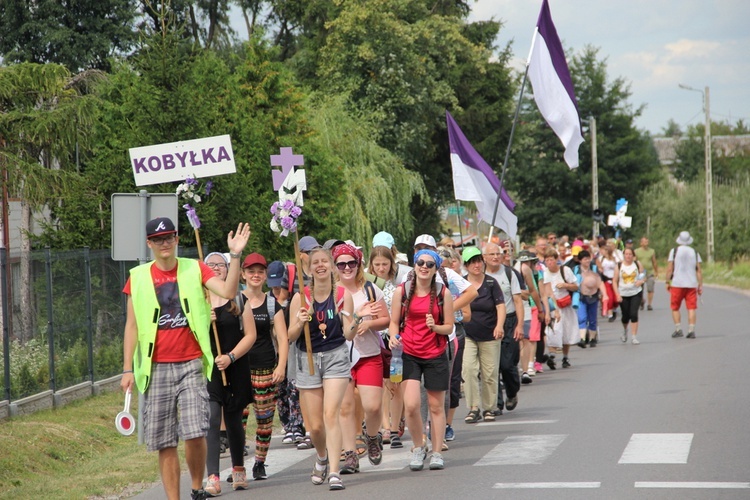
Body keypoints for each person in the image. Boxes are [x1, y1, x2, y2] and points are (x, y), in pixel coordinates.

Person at [121, 218, 250, 500]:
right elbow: (131, 325)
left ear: (177, 239)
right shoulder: (139, 276)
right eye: (158, 239)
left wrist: (236, 254)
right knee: (164, 441)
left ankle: (195, 487)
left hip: (192, 362)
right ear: (149, 244)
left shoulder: (194, 268)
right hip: (155, 368)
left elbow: (228, 292)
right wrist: (128, 369)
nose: (164, 243)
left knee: (195, 431)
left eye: (169, 237)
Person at [288, 247, 356, 491]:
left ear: (331, 265)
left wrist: (357, 320)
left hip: (336, 356)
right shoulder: (300, 297)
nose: (320, 265)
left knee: (331, 414)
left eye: (324, 261)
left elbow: (348, 333)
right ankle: (322, 457)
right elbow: (290, 335)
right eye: (315, 262)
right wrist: (299, 320)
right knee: (315, 426)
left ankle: (335, 472)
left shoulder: (342, 294)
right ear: (309, 268)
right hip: (308, 359)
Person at [389, 249, 454, 471]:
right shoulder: (403, 291)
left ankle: (436, 452)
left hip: (435, 353)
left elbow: (449, 327)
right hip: (408, 353)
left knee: (436, 407)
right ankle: (419, 447)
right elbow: (393, 322)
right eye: (420, 263)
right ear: (414, 266)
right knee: (412, 405)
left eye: (429, 264)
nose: (424, 267)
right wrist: (392, 337)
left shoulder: (443, 293)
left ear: (436, 269)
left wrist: (434, 327)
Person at [203, 252, 257, 496]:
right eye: (210, 265)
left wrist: (231, 356)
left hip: (235, 366)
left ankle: (238, 469)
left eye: (220, 265)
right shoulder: (198, 302)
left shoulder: (238, 300)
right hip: (211, 368)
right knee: (212, 420)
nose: (216, 269)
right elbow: (192, 338)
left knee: (234, 419)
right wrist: (205, 321)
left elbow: (251, 335)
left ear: (228, 269)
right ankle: (212, 476)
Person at [334, 243, 390, 474]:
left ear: (358, 264)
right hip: (339, 357)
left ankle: (373, 437)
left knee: (372, 406)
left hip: (368, 355)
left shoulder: (369, 289)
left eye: (351, 263)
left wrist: (369, 323)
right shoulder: (332, 292)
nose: (347, 267)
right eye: (341, 264)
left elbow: (386, 320)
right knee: (345, 407)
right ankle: (349, 454)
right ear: (335, 266)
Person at [241, 253, 290, 481]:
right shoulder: (234, 301)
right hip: (238, 369)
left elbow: (282, 338)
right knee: (237, 420)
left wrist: (281, 366)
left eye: (260, 271)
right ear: (243, 274)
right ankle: (237, 464)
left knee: (264, 420)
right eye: (251, 271)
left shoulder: (272, 304)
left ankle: (259, 462)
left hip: (264, 368)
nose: (256, 275)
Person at [268, 261, 309, 449]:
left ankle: (297, 425)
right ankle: (287, 424)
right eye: (273, 286)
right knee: (280, 389)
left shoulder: (295, 299)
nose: (276, 290)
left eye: (280, 286)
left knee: (294, 386)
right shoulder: (269, 299)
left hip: (293, 348)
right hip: (275, 349)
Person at [461, 247, 504, 423]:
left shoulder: (491, 283)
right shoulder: (461, 284)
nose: (476, 265)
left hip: (490, 334)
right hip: (468, 334)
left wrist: (499, 326)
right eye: (472, 262)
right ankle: (473, 407)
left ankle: (489, 407)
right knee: (469, 369)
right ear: (466, 265)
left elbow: (500, 306)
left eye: (479, 261)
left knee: (490, 372)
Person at [368, 245, 405, 449]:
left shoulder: (398, 287)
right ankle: (383, 427)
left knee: (395, 384)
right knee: (380, 386)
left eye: (385, 264)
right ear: (371, 266)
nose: (381, 268)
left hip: (394, 341)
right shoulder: (366, 286)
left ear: (391, 264)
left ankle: (395, 427)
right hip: (374, 340)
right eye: (377, 264)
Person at [483, 242, 524, 411]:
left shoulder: (509, 273)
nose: (495, 257)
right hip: (488, 322)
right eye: (491, 254)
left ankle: (512, 392)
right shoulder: (479, 274)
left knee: (507, 365)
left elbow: (517, 301)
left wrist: (520, 325)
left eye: (498, 254)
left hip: (509, 321)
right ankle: (496, 403)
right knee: (491, 366)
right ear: (484, 257)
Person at [542, 248, 579, 368]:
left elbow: (576, 286)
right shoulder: (545, 273)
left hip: (565, 305)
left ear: (556, 260)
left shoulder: (565, 270)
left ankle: (565, 357)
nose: (549, 262)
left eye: (551, 260)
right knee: (553, 331)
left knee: (566, 331)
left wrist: (565, 285)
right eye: (546, 260)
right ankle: (552, 355)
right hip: (553, 306)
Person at [665, 231, 703, 339]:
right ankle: (691, 330)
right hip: (691, 284)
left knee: (675, 307)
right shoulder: (694, 252)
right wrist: (700, 285)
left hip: (677, 283)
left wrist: (667, 281)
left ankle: (678, 329)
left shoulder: (674, 251)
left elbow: (669, 268)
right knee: (691, 307)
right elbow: (699, 270)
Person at [572, 250, 607, 349]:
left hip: (593, 296)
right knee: (581, 318)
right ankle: (582, 338)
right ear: (580, 260)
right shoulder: (576, 270)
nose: (587, 261)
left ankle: (592, 338)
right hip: (581, 297)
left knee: (592, 319)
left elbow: (600, 282)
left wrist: (605, 294)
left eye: (588, 258)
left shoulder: (594, 269)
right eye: (585, 259)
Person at [612, 247, 646, 344]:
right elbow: (614, 281)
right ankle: (625, 330)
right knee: (625, 316)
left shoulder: (637, 264)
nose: (628, 256)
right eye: (626, 254)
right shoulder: (619, 266)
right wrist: (617, 294)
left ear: (633, 255)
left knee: (633, 314)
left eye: (630, 254)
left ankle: (634, 336)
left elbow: (642, 274)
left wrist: (641, 281)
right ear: (624, 255)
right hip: (623, 293)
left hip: (636, 292)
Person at [635, 237, 659, 311]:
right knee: (639, 289)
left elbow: (654, 262)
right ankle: (641, 301)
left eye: (647, 241)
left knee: (650, 288)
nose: (646, 243)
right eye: (644, 242)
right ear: (641, 243)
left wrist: (656, 271)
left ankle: (649, 304)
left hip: (649, 272)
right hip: (640, 273)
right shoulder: (636, 251)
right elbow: (635, 261)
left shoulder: (651, 251)